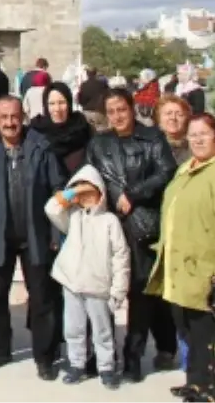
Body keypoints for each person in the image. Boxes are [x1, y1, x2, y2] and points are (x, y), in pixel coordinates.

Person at [147, 113, 215, 403]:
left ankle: (211, 390)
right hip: (183, 268)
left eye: (203, 134)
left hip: (208, 271)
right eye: (192, 134)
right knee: (190, 333)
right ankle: (195, 383)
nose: (196, 139)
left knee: (208, 337)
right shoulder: (187, 169)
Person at [0, 96, 65, 378]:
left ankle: (44, 356)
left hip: (35, 235)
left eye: (15, 117)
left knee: (42, 299)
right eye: (4, 117)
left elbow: (59, 192)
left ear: (24, 116)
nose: (10, 123)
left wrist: (56, 232)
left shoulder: (41, 147)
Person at [86, 88, 178, 382]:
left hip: (142, 224)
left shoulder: (152, 138)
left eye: (121, 110)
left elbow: (166, 171)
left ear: (131, 108)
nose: (117, 116)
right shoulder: (99, 143)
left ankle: (133, 355)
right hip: (109, 225)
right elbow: (92, 178)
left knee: (140, 294)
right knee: (103, 292)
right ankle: (102, 353)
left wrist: (134, 194)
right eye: (111, 112)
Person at [45, 165, 130, 389]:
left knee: (102, 331)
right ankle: (77, 363)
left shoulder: (110, 221)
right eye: (81, 193)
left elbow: (121, 257)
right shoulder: (72, 217)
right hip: (72, 283)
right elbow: (51, 208)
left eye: (90, 191)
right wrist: (73, 192)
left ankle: (106, 367)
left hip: (98, 286)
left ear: (101, 193)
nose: (86, 196)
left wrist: (118, 291)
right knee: (73, 328)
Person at [156, 94, 193, 164]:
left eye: (179, 114)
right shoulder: (149, 145)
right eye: (168, 113)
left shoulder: (194, 145)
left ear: (187, 119)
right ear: (159, 118)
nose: (173, 118)